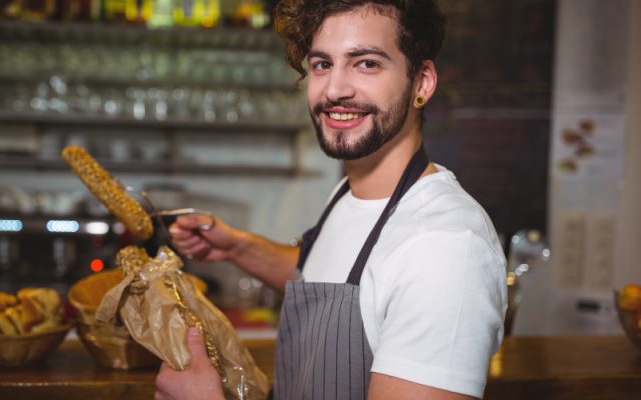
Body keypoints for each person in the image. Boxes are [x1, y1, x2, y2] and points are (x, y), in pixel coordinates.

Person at [154, 0, 507, 399]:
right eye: (322, 64)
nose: (335, 89)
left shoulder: (446, 247)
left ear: (422, 82)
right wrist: (239, 246)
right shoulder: (351, 192)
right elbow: (333, 275)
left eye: (367, 63)